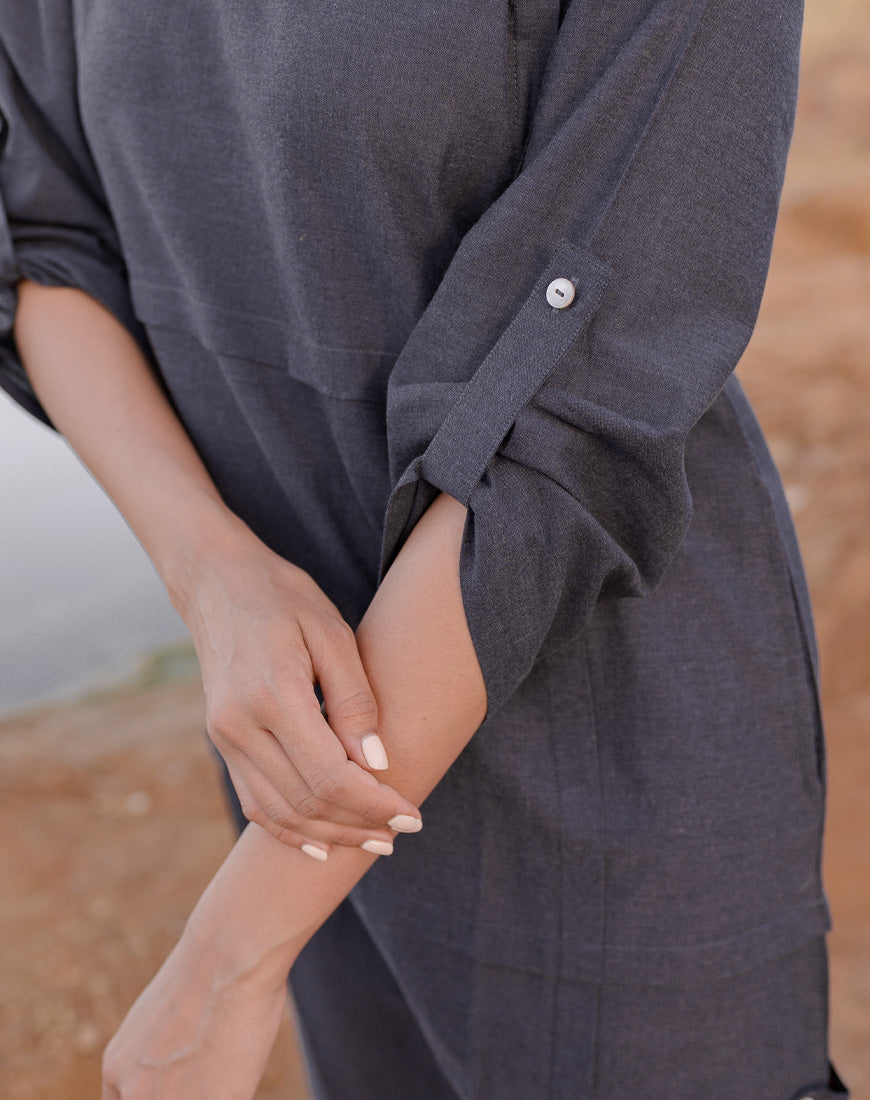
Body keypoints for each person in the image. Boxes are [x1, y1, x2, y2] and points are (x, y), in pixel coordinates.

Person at [0, 0, 850, 1097]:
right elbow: (44, 240)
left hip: (598, 755)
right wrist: (220, 579)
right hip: (306, 753)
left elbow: (574, 406)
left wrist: (230, 952)